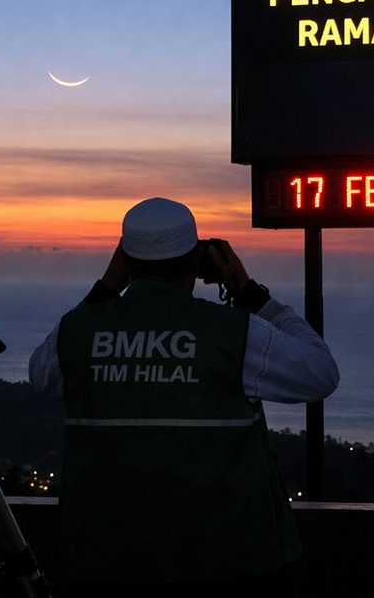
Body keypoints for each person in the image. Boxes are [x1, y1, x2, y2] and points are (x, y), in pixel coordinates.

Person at [29, 197, 339, 597]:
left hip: (106, 564)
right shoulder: (234, 331)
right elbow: (321, 373)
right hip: (229, 563)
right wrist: (251, 295)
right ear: (197, 261)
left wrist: (106, 287)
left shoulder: (78, 332)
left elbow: (42, 375)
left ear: (123, 259)